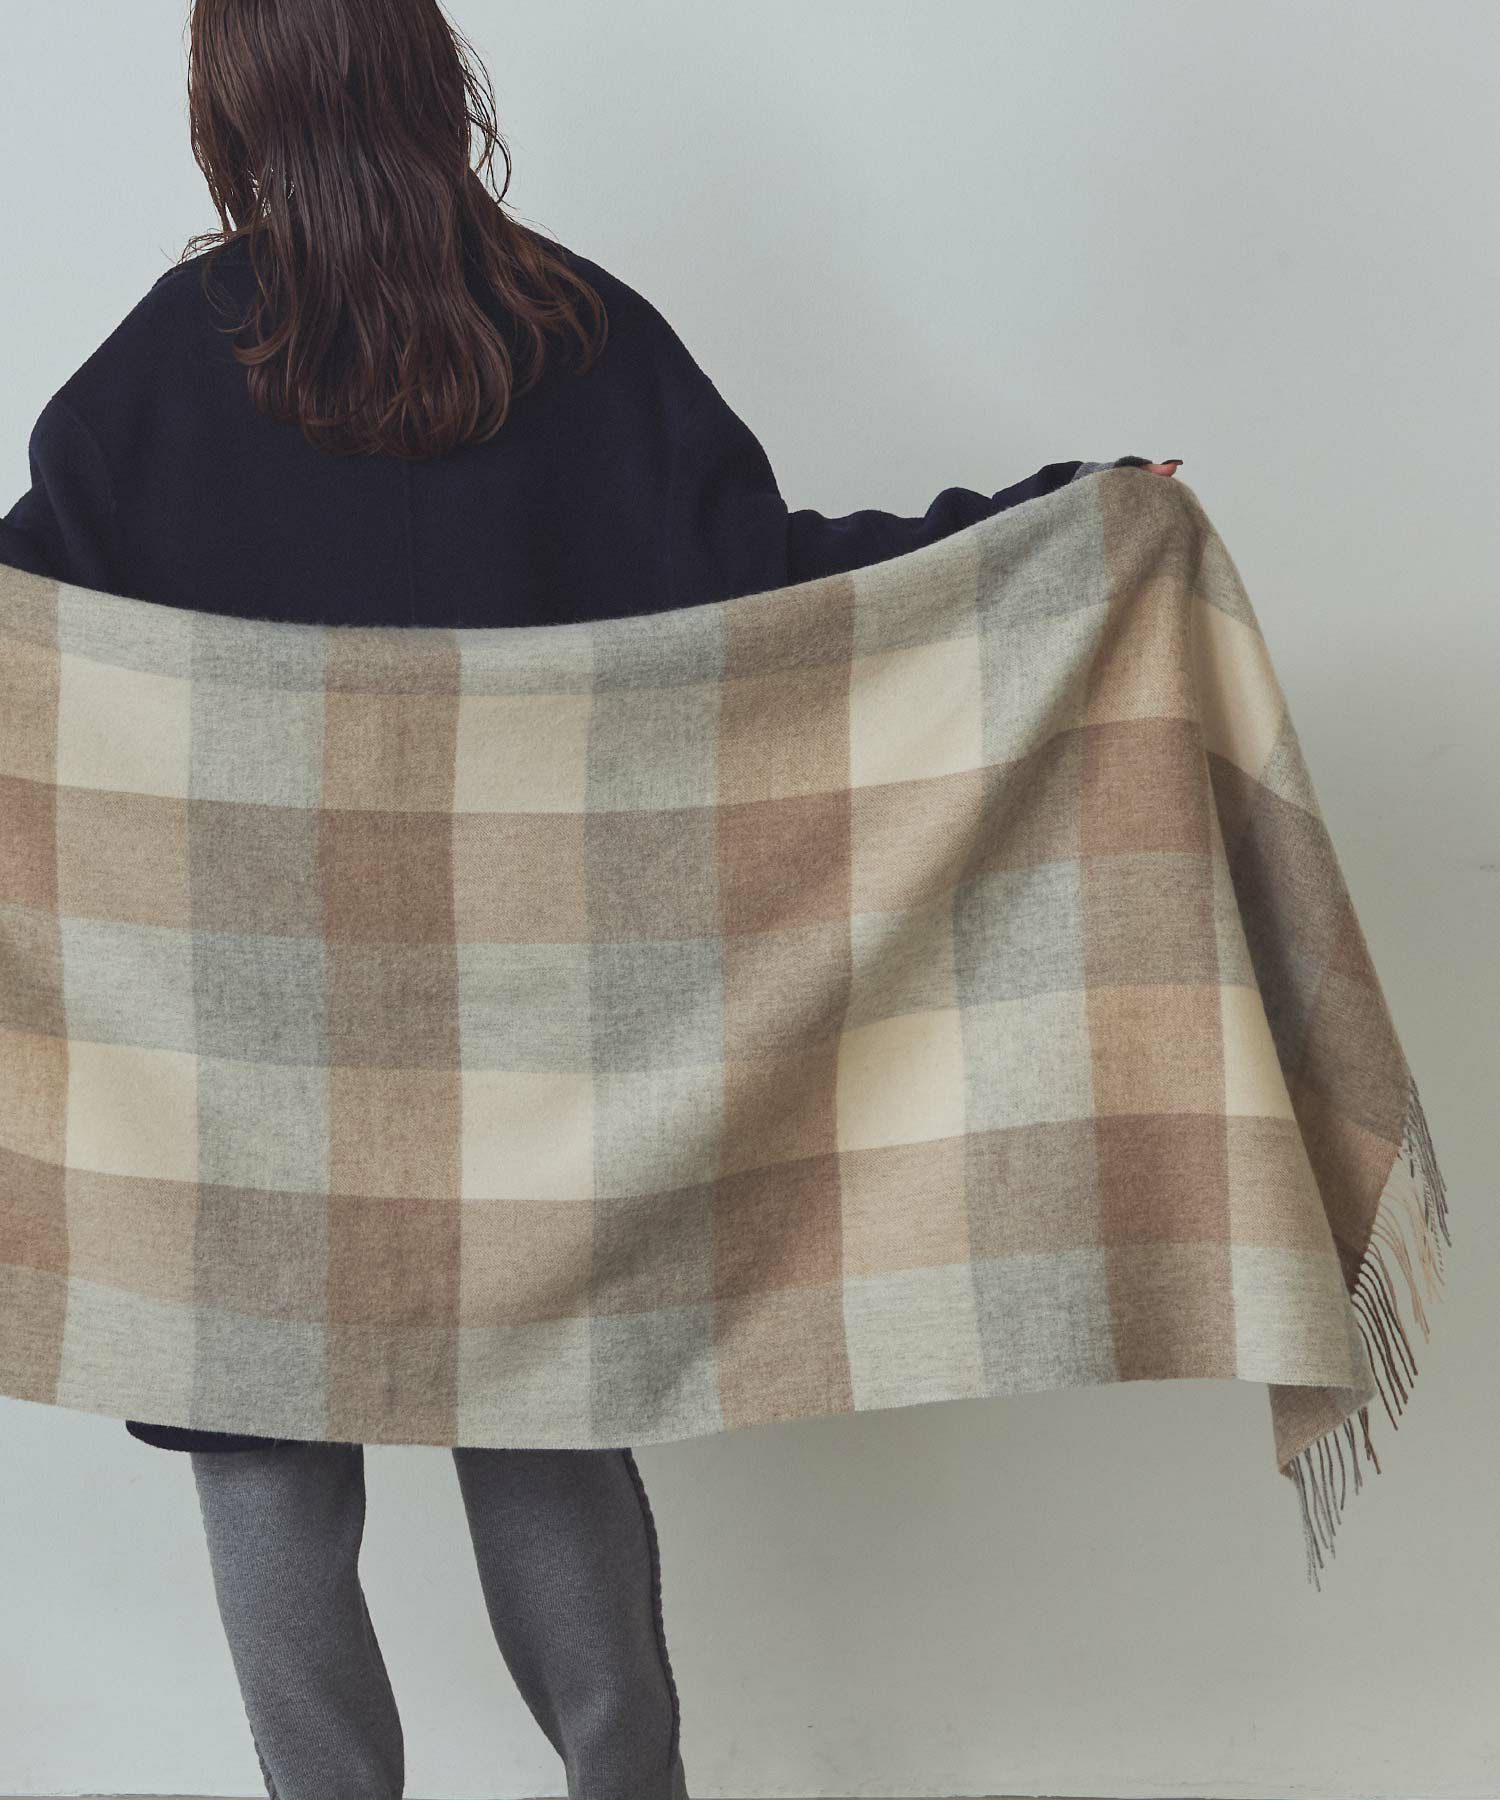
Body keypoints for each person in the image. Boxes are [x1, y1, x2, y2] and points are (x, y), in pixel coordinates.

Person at [0, 2, 1182, 1794]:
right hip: (535, 1045)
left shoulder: (166, 370)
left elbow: (30, 630)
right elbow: (777, 603)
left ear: (231, 105)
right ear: (431, 79)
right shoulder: (578, 332)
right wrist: (1052, 517)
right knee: (539, 1432)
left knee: (259, 1459)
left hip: (234, 1059)